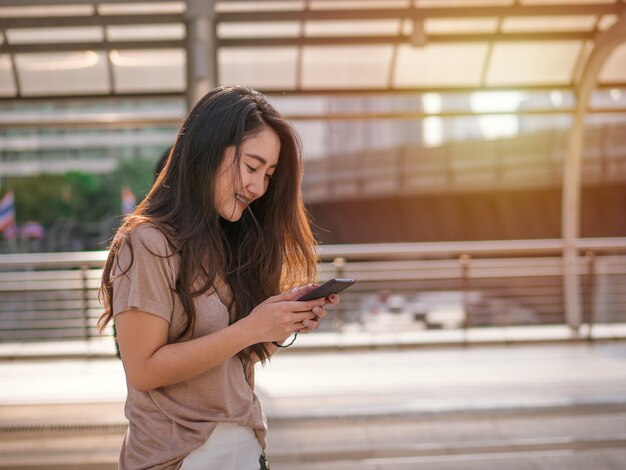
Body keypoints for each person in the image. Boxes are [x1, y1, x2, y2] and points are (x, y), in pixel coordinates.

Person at [98, 85, 340, 469]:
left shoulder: (230, 239)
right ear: (209, 150)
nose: (258, 187)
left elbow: (233, 359)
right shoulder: (147, 242)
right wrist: (248, 328)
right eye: (251, 166)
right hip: (177, 457)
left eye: (268, 174)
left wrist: (278, 325)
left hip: (244, 447)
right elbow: (143, 370)